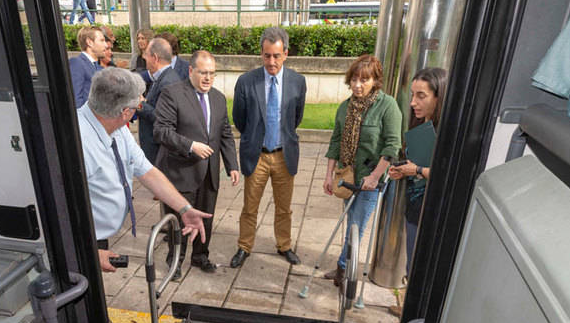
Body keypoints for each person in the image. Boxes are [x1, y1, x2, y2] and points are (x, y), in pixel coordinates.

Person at [79, 67, 211, 278]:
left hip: (99, 236)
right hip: (80, 241)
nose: (141, 107)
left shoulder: (117, 127)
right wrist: (88, 253)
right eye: (139, 104)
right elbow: (60, 212)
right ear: (126, 112)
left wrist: (184, 208)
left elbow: (147, 171)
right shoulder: (78, 143)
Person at [374, 67, 447, 323]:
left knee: (417, 271)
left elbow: (443, 172)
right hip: (415, 207)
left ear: (439, 97)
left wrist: (415, 170)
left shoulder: (447, 132)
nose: (414, 102)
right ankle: (408, 309)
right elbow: (417, 164)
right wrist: (400, 169)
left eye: (421, 96)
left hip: (430, 212)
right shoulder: (422, 127)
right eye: (413, 96)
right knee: (412, 265)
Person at [154, 51, 240, 279]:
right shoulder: (172, 94)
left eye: (212, 73)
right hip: (182, 172)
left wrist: (232, 164)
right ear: (191, 71)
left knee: (206, 218)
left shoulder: (219, 98)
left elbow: (225, 134)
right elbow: (161, 131)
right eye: (203, 73)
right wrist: (191, 145)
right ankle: (175, 261)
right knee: (181, 222)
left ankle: (201, 256)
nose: (207, 78)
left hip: (210, 173)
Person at [321, 55, 402, 288]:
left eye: (364, 80)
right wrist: (329, 175)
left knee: (357, 225)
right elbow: (335, 141)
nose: (357, 85)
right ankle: (343, 266)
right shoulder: (345, 106)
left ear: (375, 81)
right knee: (350, 223)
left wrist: (375, 177)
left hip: (371, 179)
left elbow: (392, 146)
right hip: (348, 176)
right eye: (354, 79)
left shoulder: (388, 106)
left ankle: (345, 270)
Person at [229, 27, 307, 268]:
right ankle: (244, 246)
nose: (271, 61)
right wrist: (254, 137)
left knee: (284, 208)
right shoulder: (246, 81)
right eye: (266, 56)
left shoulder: (297, 81)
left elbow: (296, 118)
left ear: (285, 53)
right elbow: (239, 119)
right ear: (261, 54)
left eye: (276, 55)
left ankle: (284, 245)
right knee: (249, 207)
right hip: (257, 155)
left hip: (284, 155)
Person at [135, 38, 181, 164]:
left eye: (146, 56)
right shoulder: (164, 77)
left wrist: (140, 104)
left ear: (155, 58)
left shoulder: (168, 82)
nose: (144, 59)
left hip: (158, 151)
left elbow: (162, 118)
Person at [69, 26, 106, 107]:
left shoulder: (99, 68)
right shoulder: (77, 63)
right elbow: (76, 101)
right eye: (102, 40)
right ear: (89, 42)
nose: (105, 45)